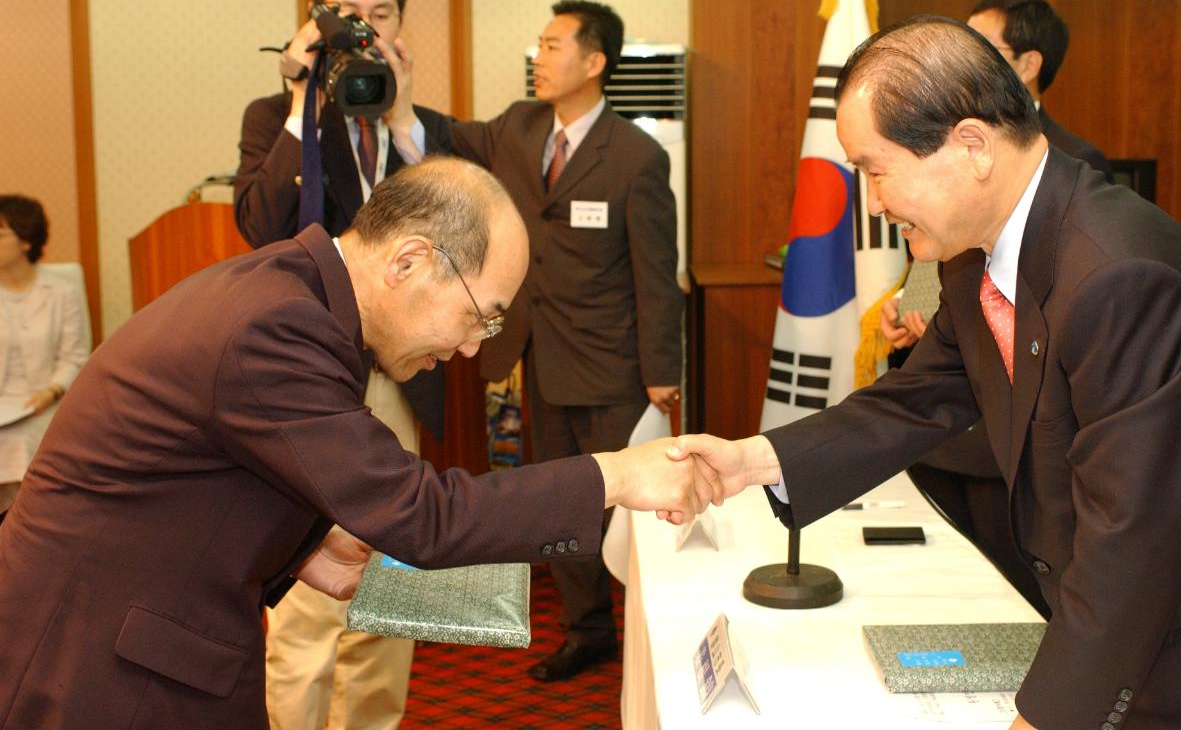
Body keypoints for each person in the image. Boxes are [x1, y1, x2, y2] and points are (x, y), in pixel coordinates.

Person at [675, 16, 1181, 729]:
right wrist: (755, 460)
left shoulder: (1121, 277)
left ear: (970, 146)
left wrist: (1045, 718)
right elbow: (916, 400)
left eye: (876, 170)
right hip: (1123, 640)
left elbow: (1132, 543)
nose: (871, 203)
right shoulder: (977, 257)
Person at [0, 158, 710, 729]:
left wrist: (304, 543)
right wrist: (614, 474)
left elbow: (211, 470)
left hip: (145, 636)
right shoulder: (276, 328)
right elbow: (420, 514)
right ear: (408, 262)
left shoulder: (297, 294)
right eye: (479, 317)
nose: (469, 349)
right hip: (98, 667)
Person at [232, 0, 452, 729]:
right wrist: (300, 98)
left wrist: (401, 124)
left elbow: (448, 241)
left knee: (386, 587)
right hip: (304, 387)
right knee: (306, 603)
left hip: (399, 383)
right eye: (348, 16)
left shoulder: (426, 128)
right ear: (316, 21)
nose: (368, 31)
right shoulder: (275, 118)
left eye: (382, 15)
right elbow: (260, 225)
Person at [451, 0, 683, 682]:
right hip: (538, 359)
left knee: (633, 513)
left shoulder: (636, 156)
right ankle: (587, 632)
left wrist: (662, 373)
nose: (539, 58)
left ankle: (652, 631)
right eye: (539, 45)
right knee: (562, 507)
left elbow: (655, 271)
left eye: (554, 46)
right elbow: (449, 136)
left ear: (594, 62)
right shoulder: (519, 129)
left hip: (613, 365)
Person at [878, 0, 1120, 619]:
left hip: (1006, 441)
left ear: (1030, 63)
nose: (875, 202)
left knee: (1022, 604)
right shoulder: (948, 187)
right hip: (945, 413)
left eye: (984, 50)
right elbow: (944, 273)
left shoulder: (1074, 174)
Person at [0, 195, 89, 513]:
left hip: (43, 405)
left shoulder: (61, 291)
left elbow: (75, 357)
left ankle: (23, 531)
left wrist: (49, 393)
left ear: (25, 240)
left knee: (25, 445)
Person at [967, 0, 1112, 182]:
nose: (963, 59)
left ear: (1029, 65)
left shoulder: (1076, 161)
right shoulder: (943, 140)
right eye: (962, 44)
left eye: (981, 48)